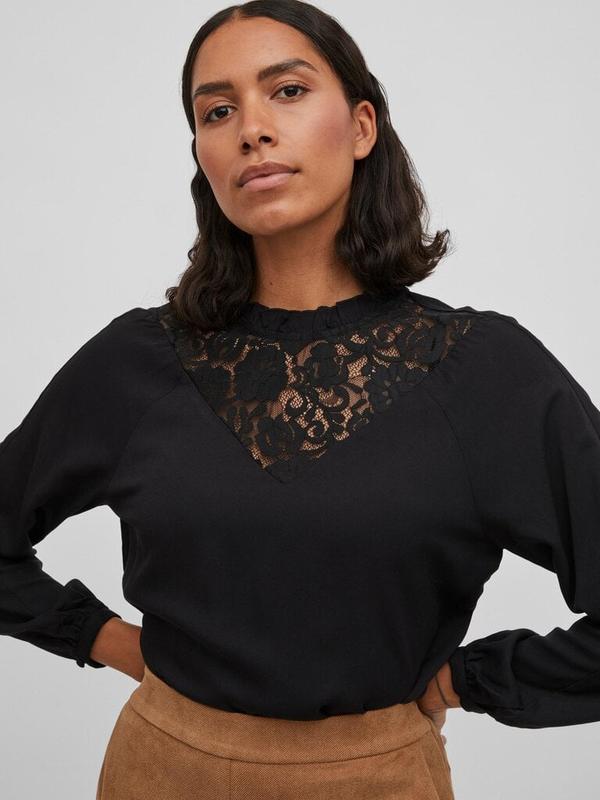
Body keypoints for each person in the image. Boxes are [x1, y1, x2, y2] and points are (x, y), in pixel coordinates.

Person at [2, 1, 599, 798]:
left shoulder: (481, 370)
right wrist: (107, 640)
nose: (251, 129)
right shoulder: (138, 361)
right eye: (217, 111)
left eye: (286, 91)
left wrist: (473, 679)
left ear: (361, 127)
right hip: (159, 770)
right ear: (202, 154)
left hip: (378, 779)